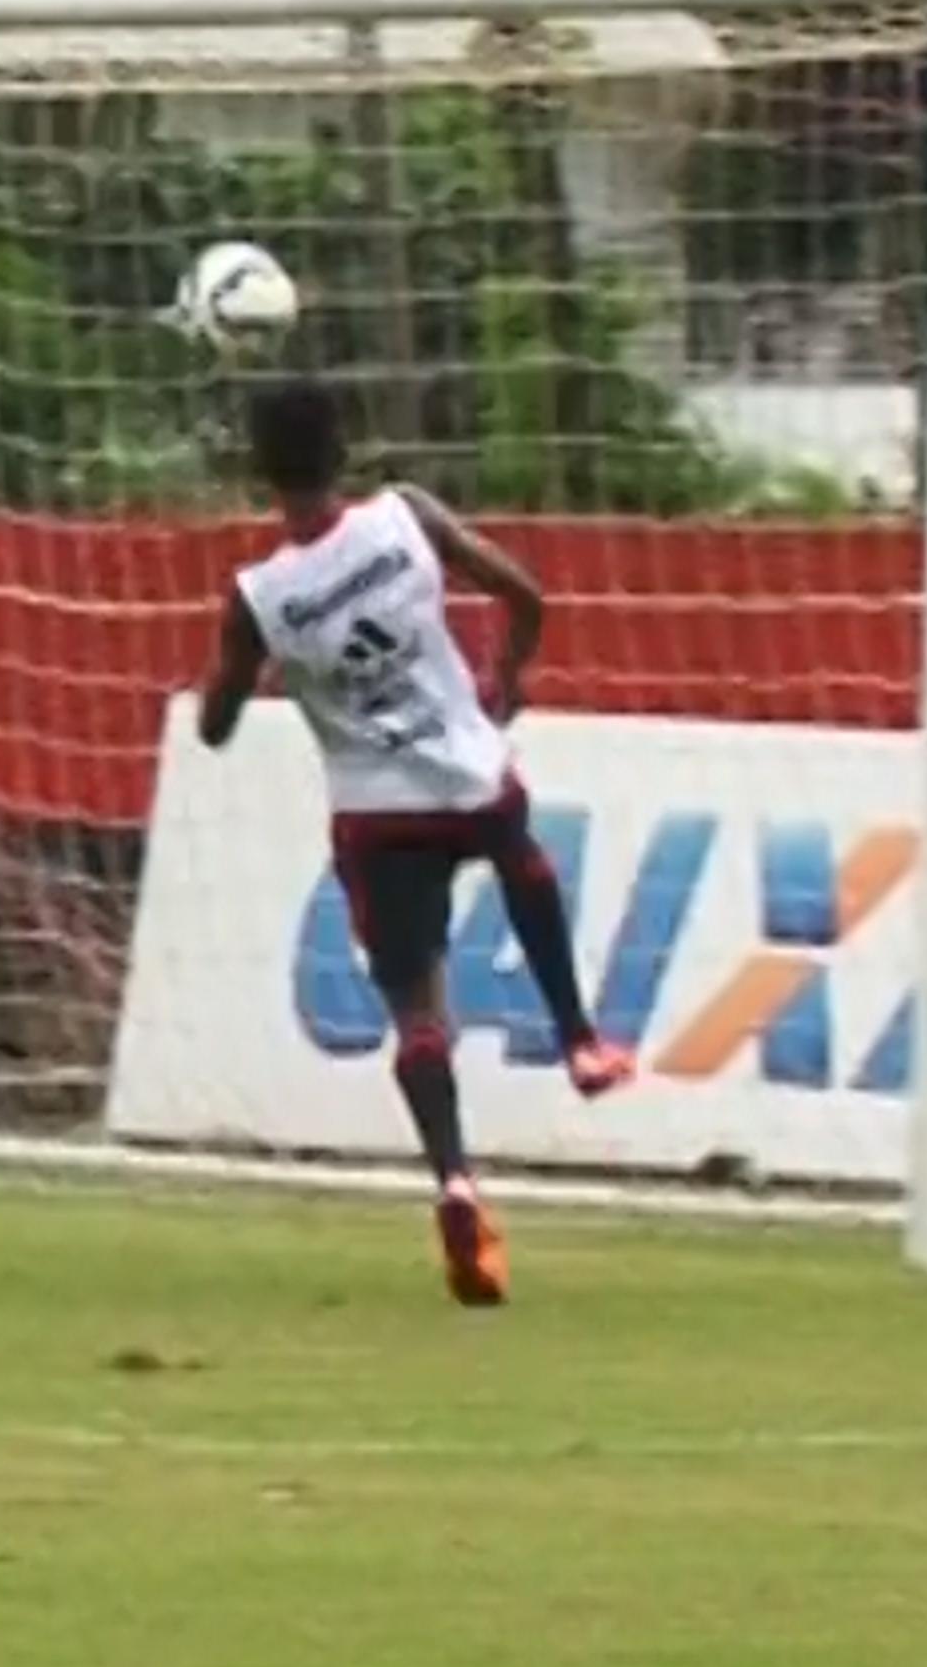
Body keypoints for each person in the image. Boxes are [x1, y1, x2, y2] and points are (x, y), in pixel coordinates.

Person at [192, 380, 636, 1308]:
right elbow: (526, 592)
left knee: (420, 1017)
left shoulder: (260, 598)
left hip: (376, 815)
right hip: (467, 779)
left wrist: (234, 678)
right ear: (344, 453)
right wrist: (506, 672)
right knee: (521, 853)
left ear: (261, 474)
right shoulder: (407, 517)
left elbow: (217, 726)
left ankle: (456, 1184)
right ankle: (582, 1040)